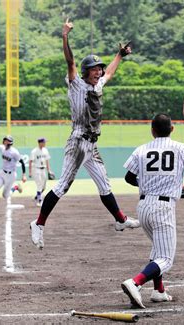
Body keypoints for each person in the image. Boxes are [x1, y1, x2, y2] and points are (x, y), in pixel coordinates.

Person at [29, 18, 139, 250]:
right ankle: (38, 224)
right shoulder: (76, 84)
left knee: (104, 184)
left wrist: (120, 55)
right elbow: (69, 61)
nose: (99, 71)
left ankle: (120, 220)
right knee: (62, 186)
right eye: (94, 68)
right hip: (78, 142)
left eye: (99, 68)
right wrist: (65, 36)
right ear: (86, 71)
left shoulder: (98, 85)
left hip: (91, 145)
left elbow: (109, 73)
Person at [121, 114, 184, 308]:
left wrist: (144, 183)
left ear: (152, 130)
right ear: (172, 129)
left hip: (143, 206)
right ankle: (136, 282)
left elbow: (128, 177)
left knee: (158, 249)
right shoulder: (181, 148)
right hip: (163, 207)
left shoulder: (141, 150)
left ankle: (159, 291)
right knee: (166, 259)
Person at [29, 138, 52, 207]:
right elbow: (30, 161)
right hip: (36, 169)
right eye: (44, 142)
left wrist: (49, 170)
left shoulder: (45, 150)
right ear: (40, 143)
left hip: (43, 169)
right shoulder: (34, 151)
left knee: (43, 187)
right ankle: (39, 201)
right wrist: (30, 172)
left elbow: (47, 161)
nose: (45, 143)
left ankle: (37, 196)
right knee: (39, 185)